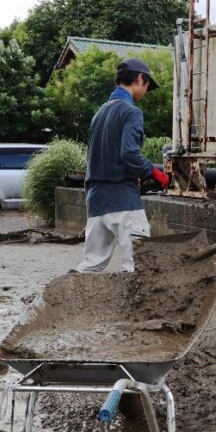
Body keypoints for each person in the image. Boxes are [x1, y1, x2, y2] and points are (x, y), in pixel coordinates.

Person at [73, 58, 170, 273]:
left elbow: (96, 158)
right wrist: (154, 172)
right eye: (146, 86)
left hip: (96, 201)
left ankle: (60, 302)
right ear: (139, 79)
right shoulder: (131, 111)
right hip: (123, 201)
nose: (145, 92)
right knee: (140, 266)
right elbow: (129, 155)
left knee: (90, 265)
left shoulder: (99, 114)